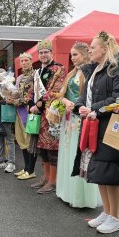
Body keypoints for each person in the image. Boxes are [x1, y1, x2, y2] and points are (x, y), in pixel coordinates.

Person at [74, 31, 119, 233]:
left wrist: (94, 109)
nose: (89, 50)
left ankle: (116, 217)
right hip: (93, 125)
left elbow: (118, 97)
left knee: (110, 172)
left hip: (109, 127)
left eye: (92, 47)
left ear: (105, 49)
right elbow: (85, 95)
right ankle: (107, 212)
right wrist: (80, 106)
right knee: (99, 171)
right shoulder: (95, 69)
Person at [56, 42, 101, 208]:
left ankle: (81, 197)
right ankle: (67, 192)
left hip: (81, 119)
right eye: (71, 55)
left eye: (75, 54)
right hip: (69, 119)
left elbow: (91, 97)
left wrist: (77, 107)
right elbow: (61, 95)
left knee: (79, 153)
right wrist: (66, 101)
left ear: (85, 54)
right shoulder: (72, 73)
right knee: (68, 153)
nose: (72, 58)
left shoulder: (91, 73)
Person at [29, 40, 66, 194]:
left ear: (51, 53)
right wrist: (30, 103)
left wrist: (38, 105)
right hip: (38, 114)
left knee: (52, 149)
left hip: (51, 114)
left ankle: (53, 181)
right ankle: (46, 176)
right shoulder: (37, 72)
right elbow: (32, 90)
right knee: (42, 148)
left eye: (46, 52)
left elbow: (55, 91)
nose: (43, 55)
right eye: (41, 52)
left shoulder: (58, 69)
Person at [9, 53, 37, 180]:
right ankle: (26, 168)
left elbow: (32, 95)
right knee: (21, 141)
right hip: (18, 111)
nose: (24, 63)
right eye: (22, 61)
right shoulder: (19, 77)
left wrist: (14, 101)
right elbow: (16, 93)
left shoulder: (35, 75)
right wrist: (9, 96)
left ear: (31, 61)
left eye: (26, 60)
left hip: (28, 111)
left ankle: (31, 170)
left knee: (29, 140)